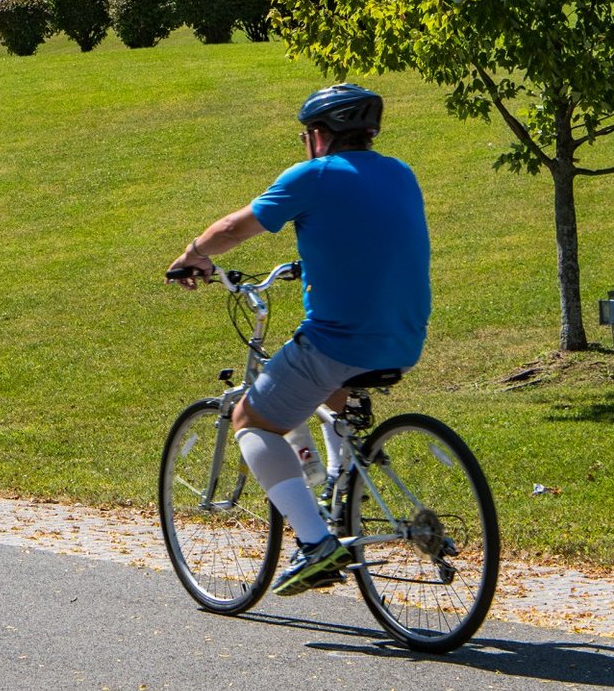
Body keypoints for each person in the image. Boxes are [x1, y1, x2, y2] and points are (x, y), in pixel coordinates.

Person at [166, 83, 431, 596]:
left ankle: (314, 544)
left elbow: (233, 228)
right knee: (330, 393)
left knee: (251, 418)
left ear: (317, 135)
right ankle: (338, 479)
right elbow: (372, 237)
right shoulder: (401, 173)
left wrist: (192, 254)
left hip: (339, 340)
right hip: (403, 335)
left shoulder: (314, 175)